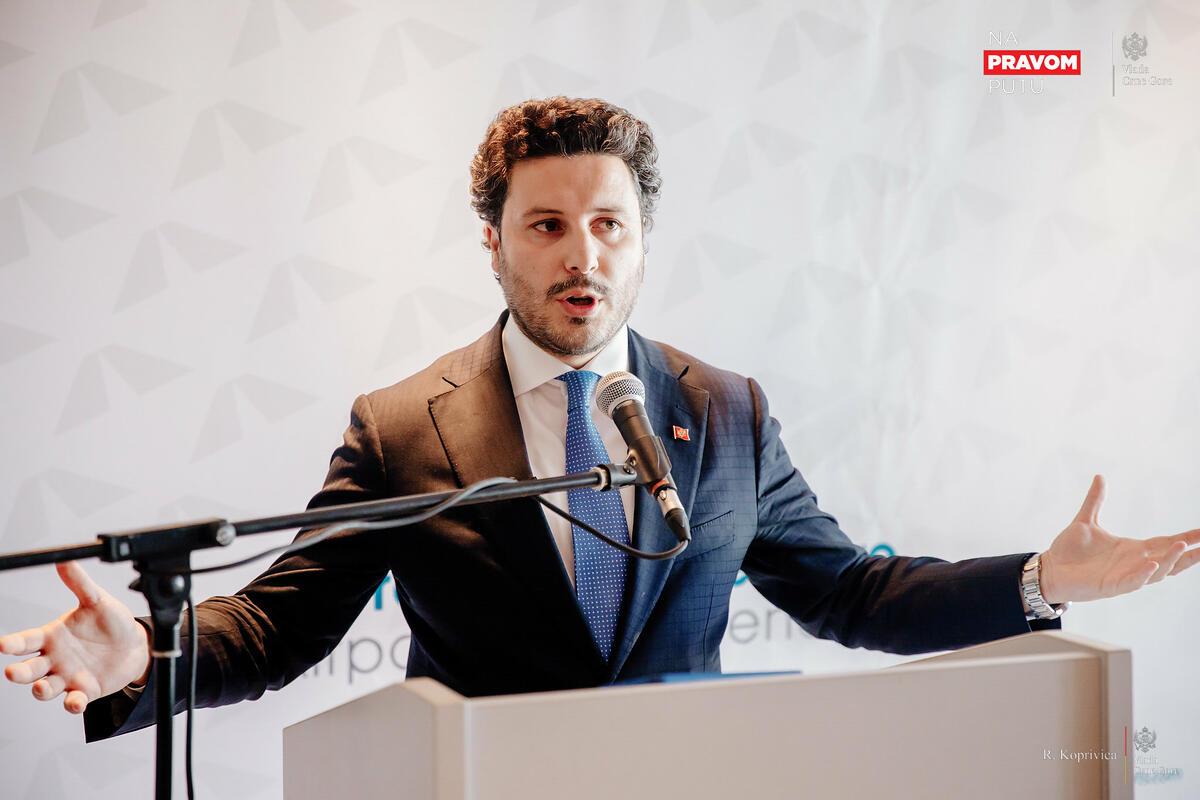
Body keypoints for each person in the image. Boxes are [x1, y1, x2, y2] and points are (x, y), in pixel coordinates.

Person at [2, 97, 1198, 740]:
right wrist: (146, 653)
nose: (583, 255)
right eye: (547, 225)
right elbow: (280, 624)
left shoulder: (726, 412)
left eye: (609, 225)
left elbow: (850, 593)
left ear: (641, 240)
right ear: (493, 242)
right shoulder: (403, 425)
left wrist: (1041, 578)